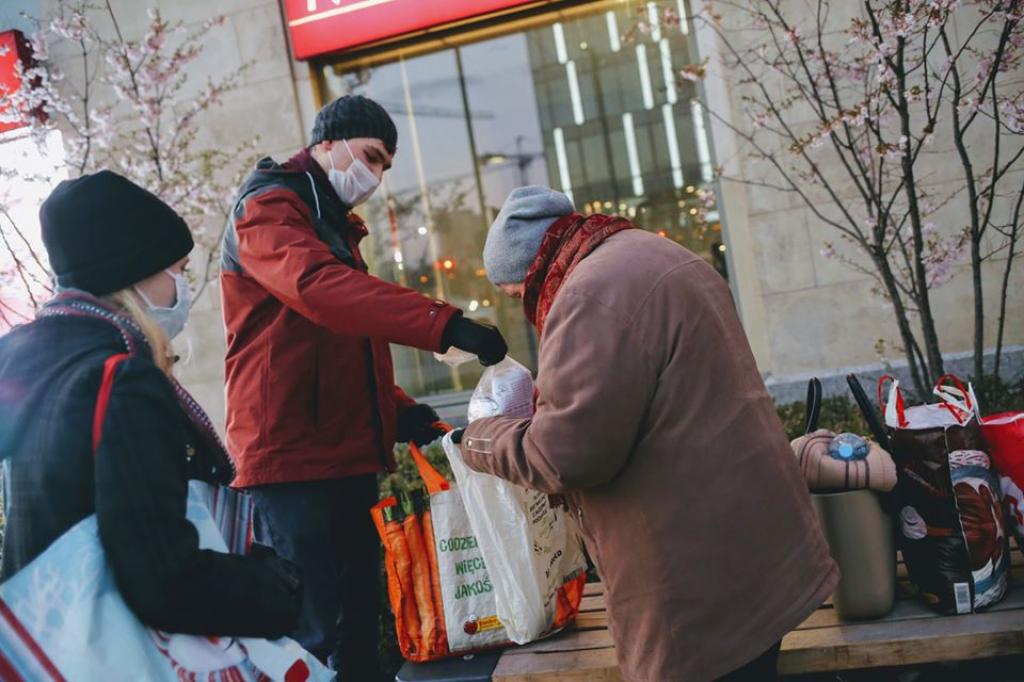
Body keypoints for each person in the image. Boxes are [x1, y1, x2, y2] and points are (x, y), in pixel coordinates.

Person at [454, 186, 839, 682]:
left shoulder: (587, 296)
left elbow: (564, 456)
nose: (525, 309)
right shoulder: (651, 251)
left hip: (697, 583)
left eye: (516, 295)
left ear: (532, 270)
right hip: (755, 554)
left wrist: (477, 439)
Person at [220, 94, 507, 678]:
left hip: (340, 455)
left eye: (385, 166)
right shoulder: (268, 210)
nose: (375, 176)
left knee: (357, 623)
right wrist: (445, 324)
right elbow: (323, 292)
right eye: (371, 157)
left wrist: (401, 414)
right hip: (290, 459)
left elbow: (343, 348)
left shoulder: (330, 223)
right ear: (327, 141)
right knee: (311, 630)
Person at [0, 171, 303, 638]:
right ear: (134, 274)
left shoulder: (33, 364)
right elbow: (164, 579)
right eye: (179, 270)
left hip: (51, 642)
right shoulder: (124, 382)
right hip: (122, 650)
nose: (182, 287)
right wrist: (275, 590)